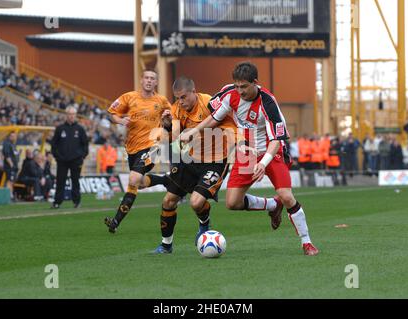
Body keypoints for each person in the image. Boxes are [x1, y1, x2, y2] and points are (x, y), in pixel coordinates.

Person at [181, 61, 318, 256]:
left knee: (287, 196)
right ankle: (272, 205)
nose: (240, 91)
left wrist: (263, 163)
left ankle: (307, 242)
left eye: (244, 87)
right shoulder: (231, 95)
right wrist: (193, 132)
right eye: (237, 86)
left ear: (255, 82)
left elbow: (276, 140)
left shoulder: (268, 103)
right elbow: (215, 118)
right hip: (247, 152)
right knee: (233, 203)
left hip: (272, 152)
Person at [153, 76, 263, 253]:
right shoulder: (175, 110)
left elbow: (231, 123)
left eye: (183, 97)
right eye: (177, 98)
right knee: (168, 200)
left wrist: (240, 145)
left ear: (193, 92)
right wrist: (166, 126)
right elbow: (174, 137)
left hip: (216, 161)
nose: (180, 102)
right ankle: (166, 245)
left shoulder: (210, 103)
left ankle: (204, 224)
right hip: (190, 158)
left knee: (196, 203)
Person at [104, 69, 172, 233]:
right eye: (146, 78)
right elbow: (111, 113)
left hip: (153, 146)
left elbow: (173, 120)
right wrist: (121, 120)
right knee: (138, 184)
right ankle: (165, 181)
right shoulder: (129, 97)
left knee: (133, 179)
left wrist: (168, 120)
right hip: (132, 148)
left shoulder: (162, 101)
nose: (149, 81)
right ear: (141, 80)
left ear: (156, 82)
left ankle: (115, 222)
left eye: (152, 78)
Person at [50, 106, 89, 208]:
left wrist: (82, 157)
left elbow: (85, 144)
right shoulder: (60, 129)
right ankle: (57, 202)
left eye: (73, 114)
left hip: (76, 160)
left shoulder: (80, 129)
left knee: (75, 181)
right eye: (69, 114)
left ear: (75, 116)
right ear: (66, 115)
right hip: (62, 161)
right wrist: (57, 156)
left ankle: (76, 202)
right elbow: (54, 144)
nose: (71, 116)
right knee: (60, 181)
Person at [2, 131, 20, 199]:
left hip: (14, 167)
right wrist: (11, 165)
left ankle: (11, 194)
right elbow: (7, 156)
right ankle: (8, 195)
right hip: (10, 167)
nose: (14, 137)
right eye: (12, 136)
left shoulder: (13, 145)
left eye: (15, 136)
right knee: (9, 180)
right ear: (9, 137)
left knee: (12, 181)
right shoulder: (7, 144)